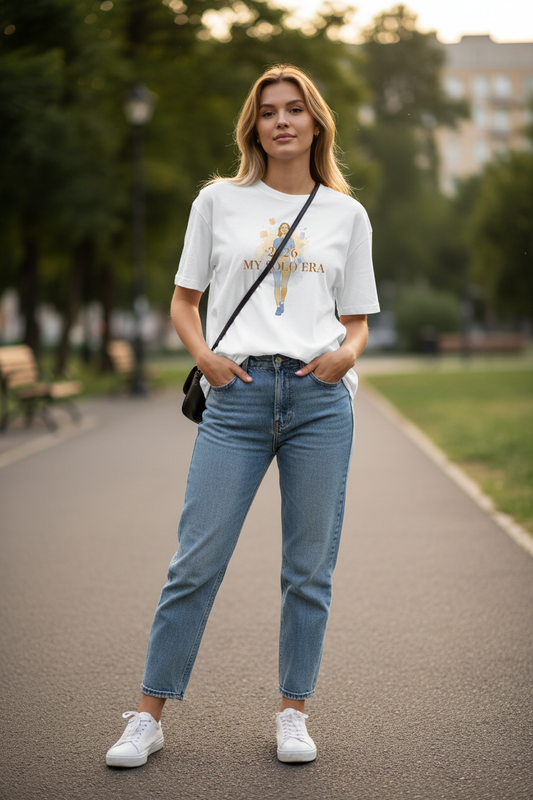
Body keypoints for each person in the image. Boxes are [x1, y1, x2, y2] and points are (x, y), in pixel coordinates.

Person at [106, 64, 380, 769]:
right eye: (268, 112)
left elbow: (356, 323)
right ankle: (147, 715)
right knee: (195, 561)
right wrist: (207, 358)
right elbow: (182, 301)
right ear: (252, 125)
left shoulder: (346, 215)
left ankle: (293, 711)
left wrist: (345, 358)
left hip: (319, 402)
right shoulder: (218, 203)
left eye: (294, 110)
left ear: (316, 122)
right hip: (237, 396)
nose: (281, 121)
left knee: (307, 569)